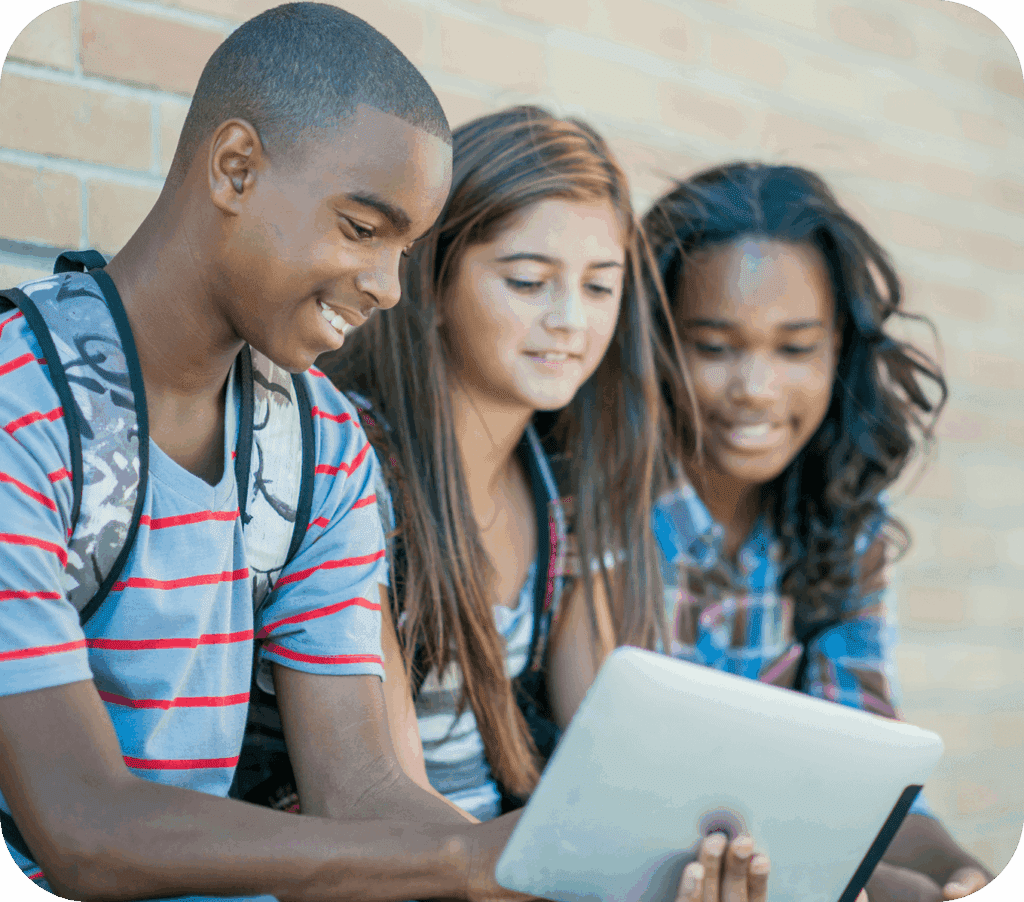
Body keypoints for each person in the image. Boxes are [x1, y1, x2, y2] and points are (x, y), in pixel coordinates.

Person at [0, 4, 551, 900]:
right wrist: (458, 861)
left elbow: (360, 791)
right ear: (236, 168)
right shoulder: (21, 404)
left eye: (406, 249)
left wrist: (537, 866)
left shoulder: (322, 447)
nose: (388, 287)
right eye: (364, 229)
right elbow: (79, 829)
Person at [236, 106, 773, 900]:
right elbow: (373, 802)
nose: (569, 321)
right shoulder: (353, 463)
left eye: (600, 287)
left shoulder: (563, 482)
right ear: (436, 282)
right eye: (527, 281)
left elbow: (619, 751)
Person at [641, 161, 994, 902]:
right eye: (714, 346)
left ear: (840, 350)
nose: (756, 388)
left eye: (794, 349)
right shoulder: (609, 506)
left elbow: (870, 774)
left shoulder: (843, 525)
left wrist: (957, 872)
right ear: (658, 343)